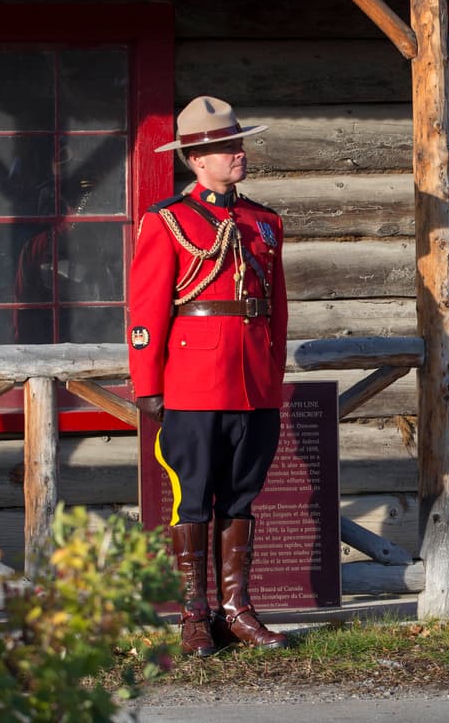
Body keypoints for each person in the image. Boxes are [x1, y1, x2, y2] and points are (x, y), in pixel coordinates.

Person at [128, 95, 289, 655]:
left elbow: (276, 309)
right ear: (195, 159)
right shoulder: (168, 221)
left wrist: (273, 374)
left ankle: (236, 610)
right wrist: (148, 385)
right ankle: (195, 615)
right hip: (193, 381)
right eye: (223, 148)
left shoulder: (263, 222)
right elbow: (147, 310)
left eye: (237, 144)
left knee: (241, 496)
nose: (236, 154)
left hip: (254, 383)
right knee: (192, 498)